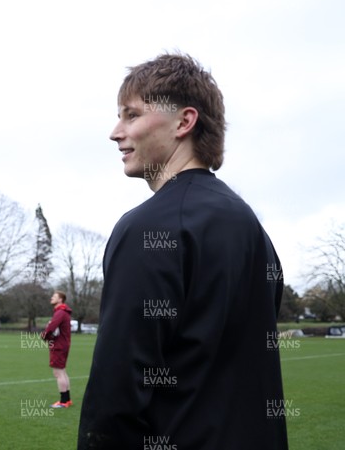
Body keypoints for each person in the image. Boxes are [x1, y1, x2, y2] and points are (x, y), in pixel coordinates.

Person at [77, 53, 289, 449]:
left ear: (184, 122)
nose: (115, 131)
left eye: (132, 115)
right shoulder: (253, 228)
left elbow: (114, 396)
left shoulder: (147, 227)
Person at [41, 291, 73, 408]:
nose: (51, 298)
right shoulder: (64, 312)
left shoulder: (60, 312)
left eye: (54, 296)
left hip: (59, 346)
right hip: (63, 344)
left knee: (58, 373)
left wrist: (44, 336)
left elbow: (51, 328)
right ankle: (67, 400)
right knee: (62, 372)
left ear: (60, 299)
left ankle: (63, 401)